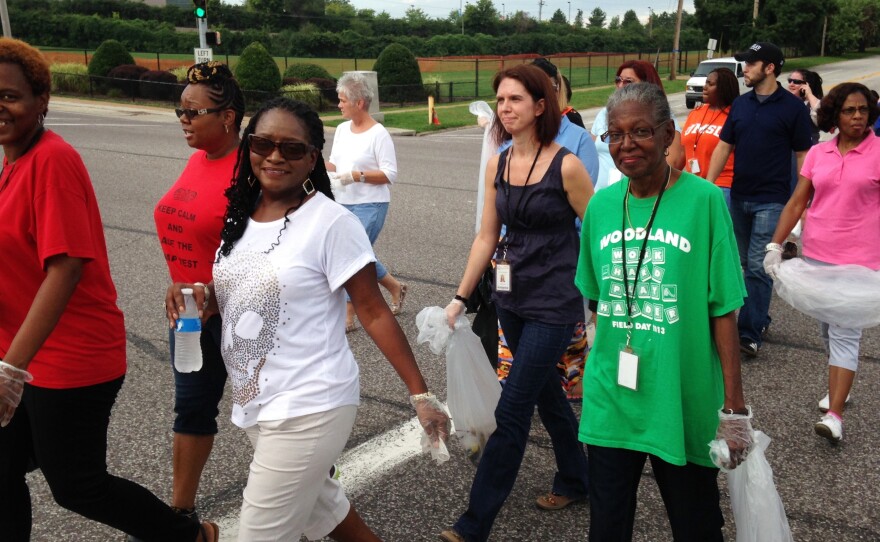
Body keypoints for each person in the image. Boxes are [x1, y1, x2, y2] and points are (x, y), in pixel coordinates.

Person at [165, 97, 449, 542]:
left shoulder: (331, 223)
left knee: (260, 534)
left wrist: (421, 395)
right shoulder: (241, 214)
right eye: (263, 143)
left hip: (309, 405)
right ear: (248, 147)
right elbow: (244, 288)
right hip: (260, 401)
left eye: (292, 149)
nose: (275, 156)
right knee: (329, 516)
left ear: (313, 158)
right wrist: (205, 297)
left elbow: (373, 311)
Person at [0, 37, 219, 542]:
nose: (1, 106)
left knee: (77, 485)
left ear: (41, 101)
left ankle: (191, 537)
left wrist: (12, 370)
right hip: (21, 350)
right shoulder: (12, 160)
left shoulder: (50, 162)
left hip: (67, 358)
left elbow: (67, 268)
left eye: (10, 95)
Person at [575, 82, 751, 541]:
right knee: (607, 528)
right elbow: (597, 302)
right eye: (615, 134)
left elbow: (724, 310)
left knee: (696, 526)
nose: (626, 144)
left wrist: (734, 408)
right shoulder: (600, 206)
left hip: (681, 397)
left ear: (668, 134)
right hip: (612, 397)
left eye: (641, 131)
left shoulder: (704, 202)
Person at [440, 64, 594, 542]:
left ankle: (474, 523)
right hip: (510, 296)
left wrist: (602, 301)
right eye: (501, 100)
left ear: (540, 106)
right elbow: (487, 236)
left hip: (554, 299)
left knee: (512, 409)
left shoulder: (567, 163)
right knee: (546, 394)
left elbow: (598, 234)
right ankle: (576, 476)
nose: (505, 109)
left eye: (516, 100)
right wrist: (461, 297)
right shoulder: (498, 162)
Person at [148, 61, 244, 530]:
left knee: (268, 412)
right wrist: (179, 279)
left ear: (226, 116)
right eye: (179, 112)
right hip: (188, 312)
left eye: (193, 112)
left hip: (243, 315)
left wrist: (217, 291)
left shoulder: (252, 168)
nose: (183, 120)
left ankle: (318, 483)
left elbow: (274, 254)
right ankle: (180, 518)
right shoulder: (195, 159)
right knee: (191, 408)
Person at [764, 82, 880, 443]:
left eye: (863, 110)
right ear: (835, 115)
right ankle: (840, 384)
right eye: (850, 110)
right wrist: (774, 244)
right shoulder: (818, 154)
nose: (858, 116)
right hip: (817, 255)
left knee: (845, 332)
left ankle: (835, 415)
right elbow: (798, 201)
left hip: (861, 263)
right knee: (828, 330)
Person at [705, 42, 813, 358]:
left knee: (757, 266)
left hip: (772, 200)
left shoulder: (792, 108)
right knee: (742, 264)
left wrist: (803, 196)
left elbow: (803, 154)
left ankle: (748, 334)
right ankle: (760, 317)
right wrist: (709, 186)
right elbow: (724, 146)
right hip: (739, 197)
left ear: (769, 67)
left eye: (751, 63)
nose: (745, 69)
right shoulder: (741, 105)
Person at [327, 72, 407, 333]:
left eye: (342, 100)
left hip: (371, 205)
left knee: (353, 258)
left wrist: (358, 176)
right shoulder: (340, 130)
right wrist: (314, 162)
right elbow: (335, 164)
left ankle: (348, 316)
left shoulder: (378, 134)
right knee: (361, 255)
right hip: (342, 203)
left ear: (359, 102)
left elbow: (389, 174)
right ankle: (395, 287)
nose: (338, 105)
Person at [591, 60, 686, 191]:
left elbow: (673, 162)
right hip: (603, 195)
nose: (620, 85)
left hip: (645, 194)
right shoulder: (603, 114)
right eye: (618, 80)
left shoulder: (662, 116)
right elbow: (592, 155)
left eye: (628, 81)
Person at [681, 67, 740, 206]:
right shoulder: (695, 113)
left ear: (724, 88)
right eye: (706, 82)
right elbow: (682, 151)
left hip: (722, 185)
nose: (705, 87)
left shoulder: (734, 115)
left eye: (710, 84)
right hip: (693, 184)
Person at [787, 68, 824, 144]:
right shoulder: (786, 101)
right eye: (790, 81)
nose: (791, 84)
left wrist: (809, 94)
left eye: (796, 82)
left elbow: (822, 119)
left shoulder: (813, 104)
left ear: (807, 85)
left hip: (808, 149)